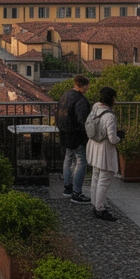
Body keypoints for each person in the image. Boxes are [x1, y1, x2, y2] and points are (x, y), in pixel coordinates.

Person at [85, 86, 122, 222]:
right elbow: (112, 139)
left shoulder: (95, 108)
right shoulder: (110, 116)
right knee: (104, 179)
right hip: (104, 150)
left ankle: (95, 204)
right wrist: (120, 137)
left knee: (95, 176)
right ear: (112, 99)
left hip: (93, 145)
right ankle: (100, 208)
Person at [56, 75, 93, 204]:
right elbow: (83, 120)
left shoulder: (65, 96)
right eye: (87, 86)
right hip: (76, 136)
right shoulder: (81, 100)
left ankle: (68, 188)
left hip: (64, 133)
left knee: (68, 158)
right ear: (83, 86)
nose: (88, 88)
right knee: (81, 161)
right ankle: (77, 193)